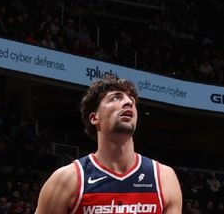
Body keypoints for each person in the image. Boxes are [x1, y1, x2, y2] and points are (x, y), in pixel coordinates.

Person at [35, 75, 182, 214]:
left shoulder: (164, 178)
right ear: (94, 117)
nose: (128, 102)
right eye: (116, 98)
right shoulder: (66, 180)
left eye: (131, 99)